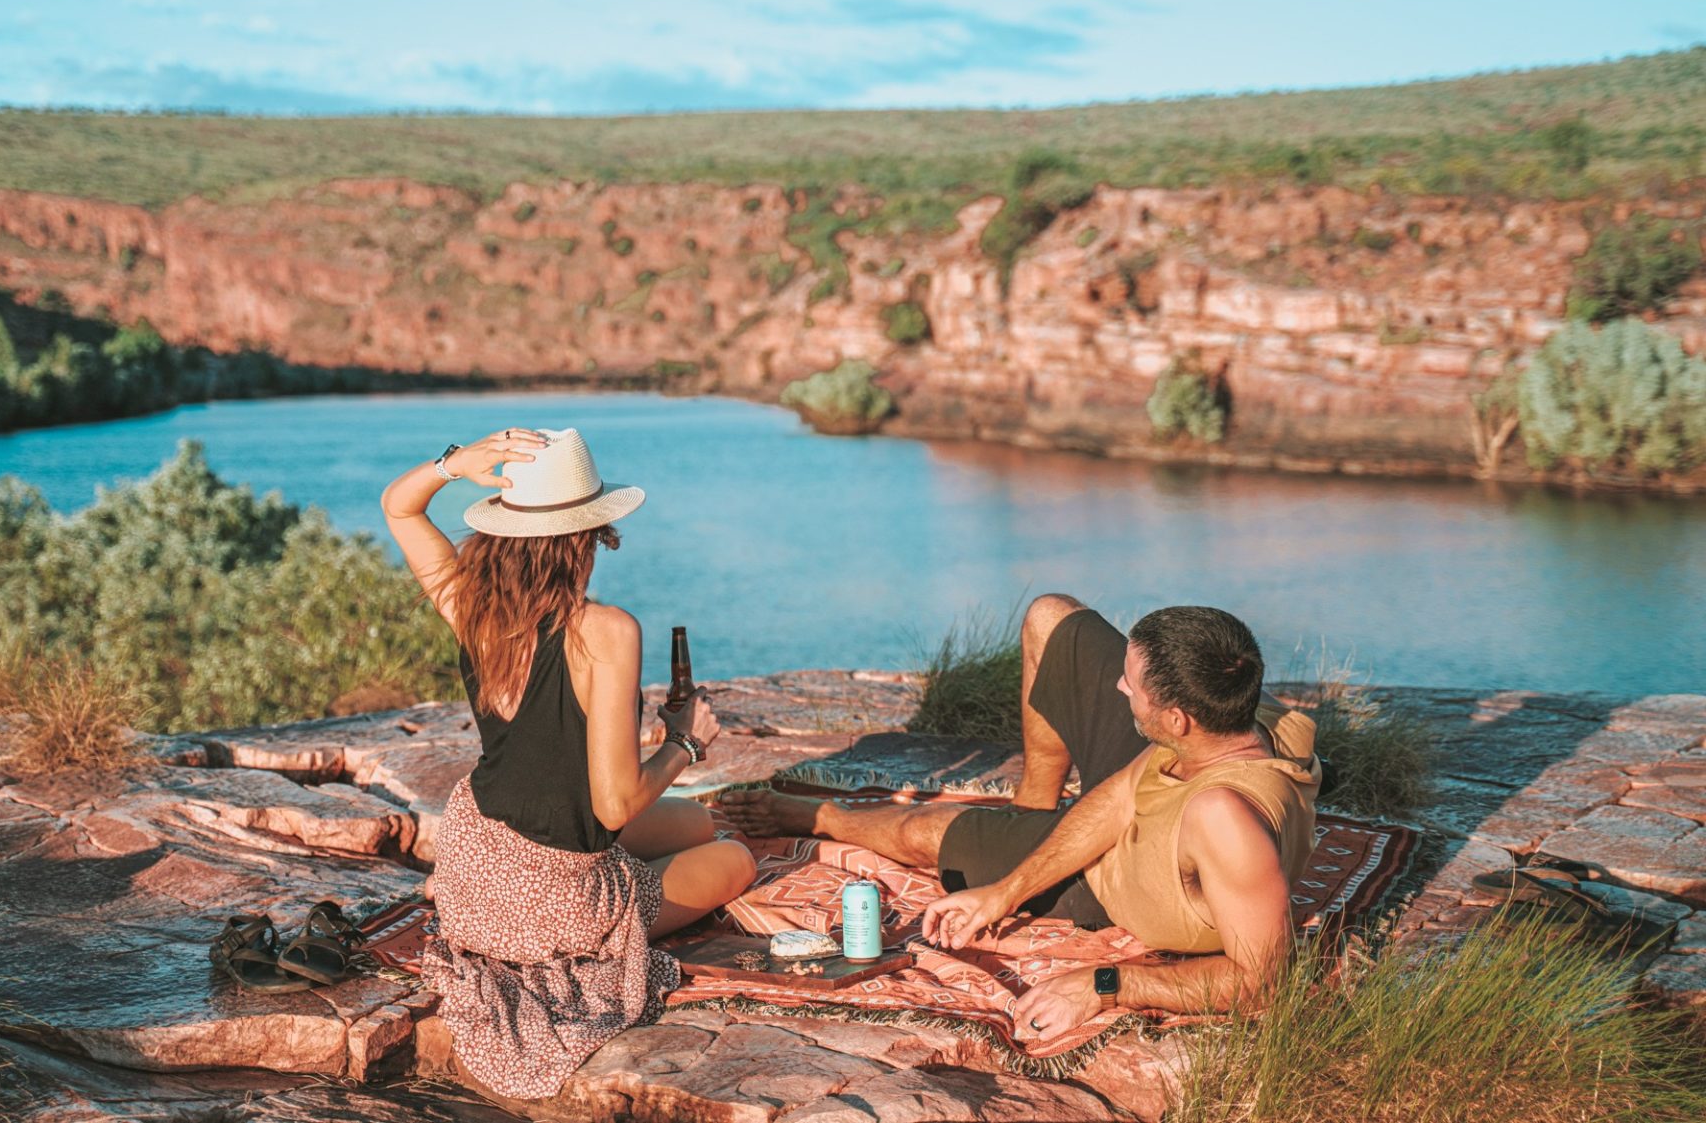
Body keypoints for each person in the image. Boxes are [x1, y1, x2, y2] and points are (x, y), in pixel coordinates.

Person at [722, 594, 1318, 1046]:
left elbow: (1262, 981)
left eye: (1130, 686)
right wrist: (1004, 893)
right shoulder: (1218, 720)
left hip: (1112, 883)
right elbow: (1115, 799)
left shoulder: (1224, 818)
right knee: (1052, 616)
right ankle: (1031, 810)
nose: (1118, 685)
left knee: (925, 833)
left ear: (1177, 718)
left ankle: (819, 815)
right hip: (1158, 776)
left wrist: (1104, 984)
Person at [383, 426, 756, 1099]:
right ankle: (633, 892)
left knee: (693, 823)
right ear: (589, 535)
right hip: (557, 908)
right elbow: (614, 804)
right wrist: (685, 743)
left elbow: (398, 507)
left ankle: (634, 866)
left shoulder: (472, 603)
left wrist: (455, 464)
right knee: (733, 856)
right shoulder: (607, 631)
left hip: (474, 874)